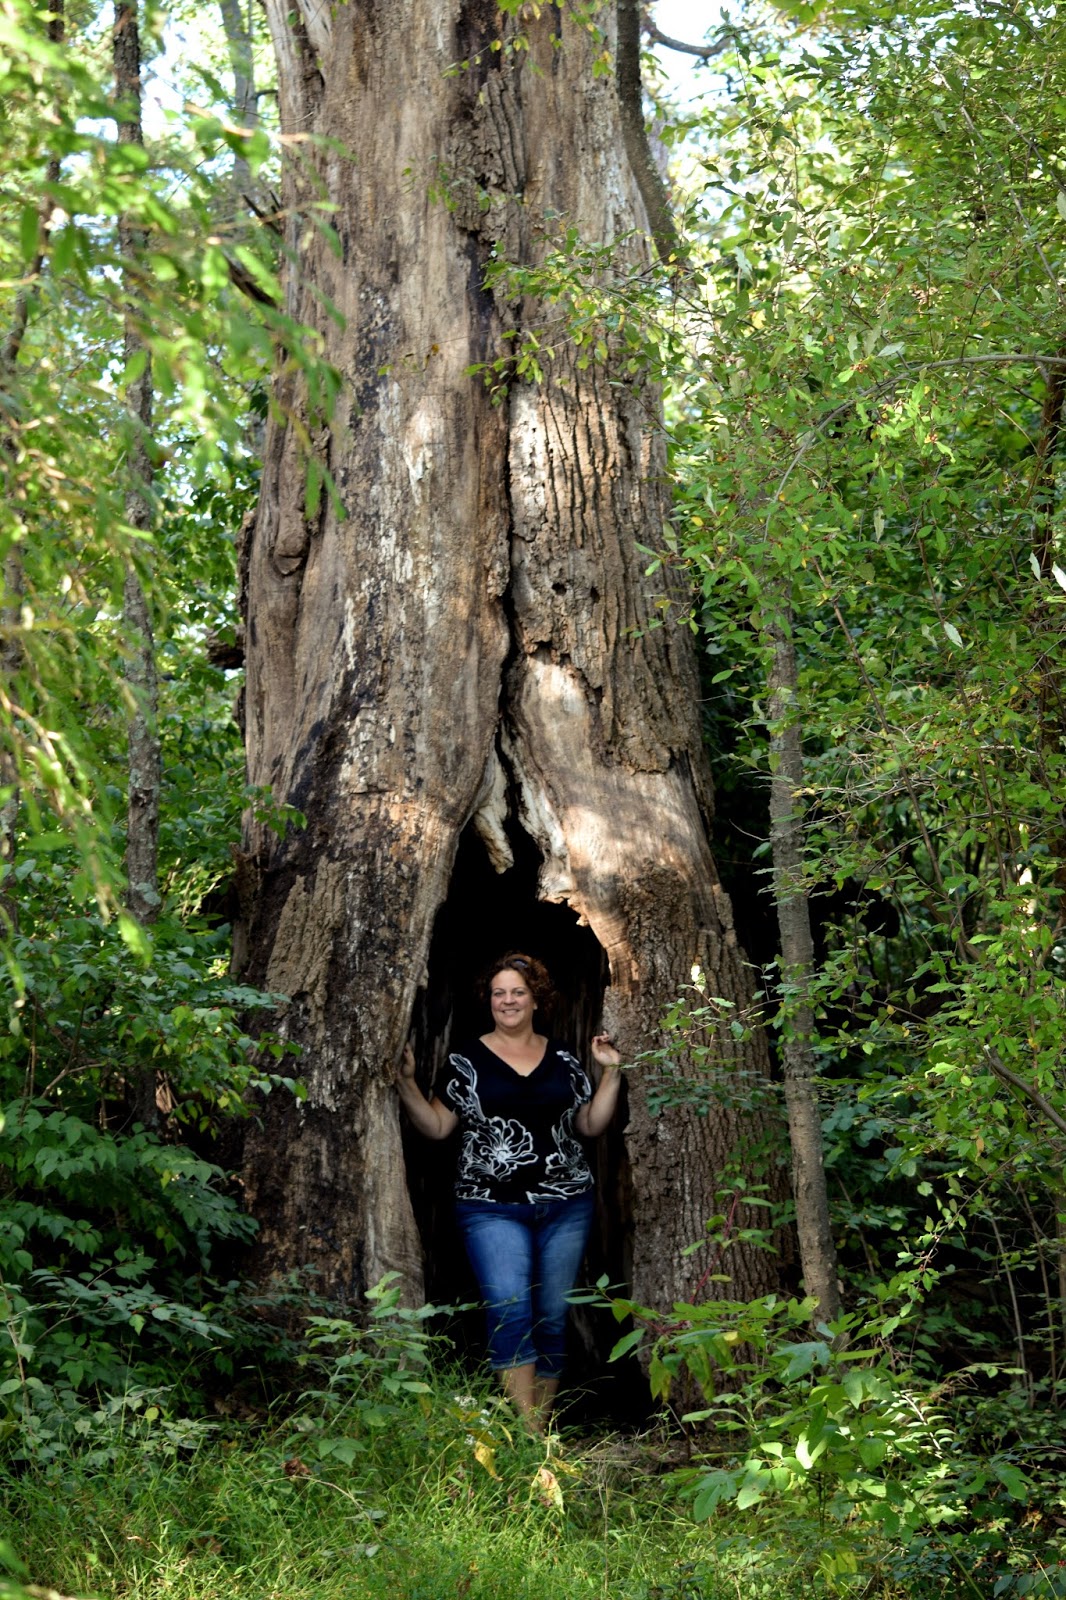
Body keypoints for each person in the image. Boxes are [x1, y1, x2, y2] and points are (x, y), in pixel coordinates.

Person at [396, 951, 622, 1430]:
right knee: (509, 1309)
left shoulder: (562, 1057)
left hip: (567, 1205)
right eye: (499, 992)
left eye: (517, 991)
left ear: (536, 999)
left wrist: (611, 1073)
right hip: (490, 1208)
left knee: (552, 1314)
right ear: (489, 1000)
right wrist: (406, 1084)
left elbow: (589, 1124)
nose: (508, 1000)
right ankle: (525, 1430)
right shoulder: (466, 1060)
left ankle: (538, 1431)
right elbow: (437, 1127)